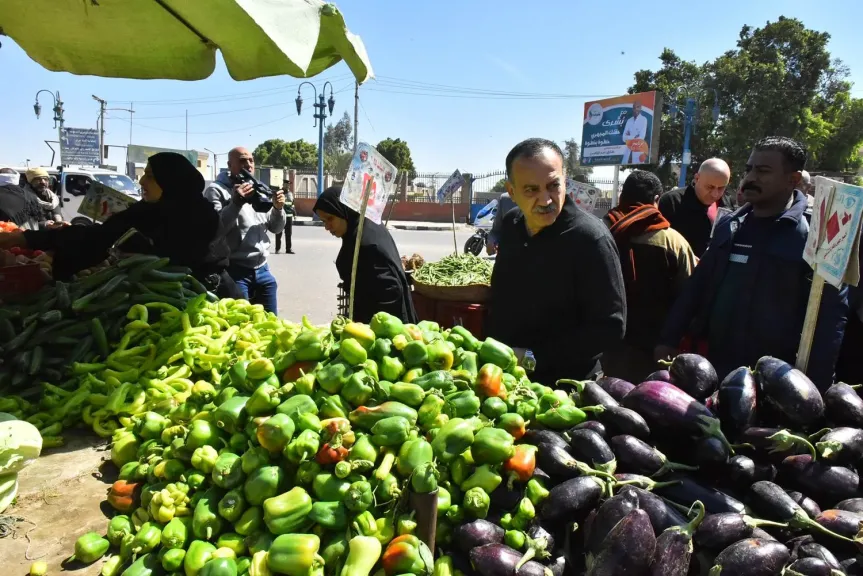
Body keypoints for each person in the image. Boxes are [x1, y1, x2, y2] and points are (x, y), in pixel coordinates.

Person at [656, 136, 848, 390]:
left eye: (763, 171)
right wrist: (668, 338)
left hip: (778, 382)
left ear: (793, 178)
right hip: (716, 370)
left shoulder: (817, 236)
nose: (751, 177)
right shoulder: (729, 226)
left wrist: (817, 386)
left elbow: (831, 317)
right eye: (749, 169)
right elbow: (696, 287)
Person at [0, 153, 242, 297]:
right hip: (175, 292)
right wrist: (31, 239)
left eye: (150, 175)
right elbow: (101, 236)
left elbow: (176, 255)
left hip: (212, 294)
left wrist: (30, 240)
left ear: (170, 182)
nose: (142, 180)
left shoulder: (198, 214)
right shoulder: (152, 209)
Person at [486, 138, 626, 383]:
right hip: (505, 378)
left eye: (553, 185)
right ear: (511, 192)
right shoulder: (512, 224)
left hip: (565, 389)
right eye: (531, 190)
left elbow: (610, 327)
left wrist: (531, 357)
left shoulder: (591, 239)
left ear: (565, 180)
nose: (546, 199)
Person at [601, 170, 697, 382]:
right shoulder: (673, 241)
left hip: (606, 343)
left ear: (621, 197)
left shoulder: (599, 232)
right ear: (657, 200)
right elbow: (689, 294)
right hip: (655, 348)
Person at [313, 186, 417, 324]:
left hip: (387, 328)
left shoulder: (366, 244)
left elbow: (390, 290)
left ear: (343, 210)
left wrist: (373, 327)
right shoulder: (363, 227)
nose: (327, 227)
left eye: (330, 219)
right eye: (323, 221)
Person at [204, 147, 285, 313]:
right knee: (241, 324)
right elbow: (214, 229)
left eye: (251, 160)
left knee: (271, 324)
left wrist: (278, 209)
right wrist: (235, 203)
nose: (248, 164)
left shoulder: (259, 189)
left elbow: (276, 228)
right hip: (235, 272)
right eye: (242, 160)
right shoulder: (216, 190)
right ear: (230, 164)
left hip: (263, 270)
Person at [658, 158, 734, 256]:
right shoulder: (671, 202)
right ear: (697, 178)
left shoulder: (727, 205)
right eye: (710, 187)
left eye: (721, 188)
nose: (715, 194)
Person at [485, 191, 516, 255]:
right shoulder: (505, 199)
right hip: (508, 256)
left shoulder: (540, 198)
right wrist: (491, 241)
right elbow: (496, 230)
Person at [275, 189, 295, 254]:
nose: (287, 186)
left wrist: (294, 214)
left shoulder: (290, 194)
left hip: (289, 216)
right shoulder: (279, 193)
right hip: (280, 216)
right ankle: (277, 249)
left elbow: (293, 204)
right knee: (278, 232)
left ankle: (288, 249)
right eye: (286, 184)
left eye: (288, 185)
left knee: (288, 233)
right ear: (283, 184)